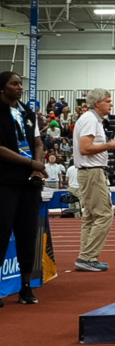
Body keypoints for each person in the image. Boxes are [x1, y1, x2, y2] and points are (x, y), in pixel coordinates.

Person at [0, 71, 46, 305]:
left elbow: (37, 142)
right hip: (5, 181)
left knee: (27, 233)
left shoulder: (27, 112)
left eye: (20, 83)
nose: (19, 87)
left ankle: (26, 287)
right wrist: (31, 163)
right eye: (14, 84)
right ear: (2, 88)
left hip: (30, 182)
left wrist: (37, 169)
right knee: (2, 231)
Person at [73, 88, 115, 273]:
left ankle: (86, 256)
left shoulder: (91, 120)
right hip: (92, 172)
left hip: (89, 171)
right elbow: (85, 148)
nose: (111, 104)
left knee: (91, 216)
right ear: (98, 103)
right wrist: (109, 145)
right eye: (108, 101)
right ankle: (87, 256)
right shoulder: (90, 120)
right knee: (104, 214)